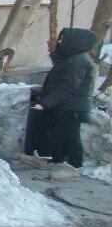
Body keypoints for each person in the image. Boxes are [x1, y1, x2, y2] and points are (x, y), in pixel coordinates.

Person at [29, 27, 98, 171]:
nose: (59, 42)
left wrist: (45, 103)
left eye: (62, 39)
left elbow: (68, 86)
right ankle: (59, 159)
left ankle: (75, 165)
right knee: (58, 133)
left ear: (75, 41)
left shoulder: (78, 61)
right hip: (64, 105)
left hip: (71, 107)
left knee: (70, 136)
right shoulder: (72, 59)